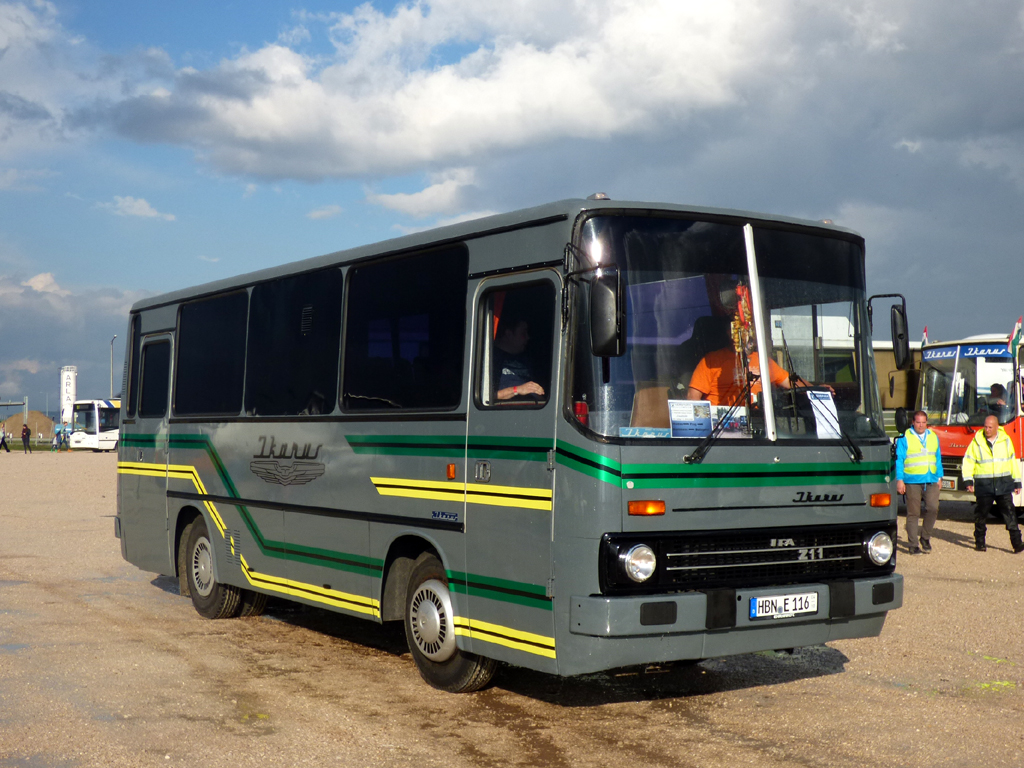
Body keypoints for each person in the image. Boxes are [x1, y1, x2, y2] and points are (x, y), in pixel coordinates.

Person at [962, 414, 1024, 553]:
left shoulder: (1006, 440)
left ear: (997, 427)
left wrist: (1017, 481)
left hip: (1003, 484)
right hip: (984, 485)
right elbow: (968, 461)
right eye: (985, 426)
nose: (987, 429)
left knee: (1010, 514)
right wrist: (968, 480)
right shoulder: (976, 441)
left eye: (990, 427)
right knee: (981, 515)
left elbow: (1011, 461)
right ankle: (980, 542)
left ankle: (1017, 543)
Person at [895, 410, 943, 554]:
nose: (921, 425)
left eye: (923, 422)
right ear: (913, 423)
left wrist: (940, 477)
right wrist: (900, 480)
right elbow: (899, 460)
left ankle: (925, 537)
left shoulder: (933, 437)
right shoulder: (905, 438)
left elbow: (938, 458)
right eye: (918, 422)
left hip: (931, 479)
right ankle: (913, 544)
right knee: (913, 513)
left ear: (926, 422)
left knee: (933, 509)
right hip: (912, 480)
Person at [687, 343, 793, 405]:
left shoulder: (764, 361)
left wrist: (809, 391)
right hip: (722, 424)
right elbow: (693, 398)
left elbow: (792, 383)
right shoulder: (712, 361)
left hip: (761, 422)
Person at [493, 317, 545, 401]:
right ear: (509, 334)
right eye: (523, 333)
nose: (527, 337)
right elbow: (483, 398)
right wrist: (516, 390)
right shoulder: (489, 359)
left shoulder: (528, 360)